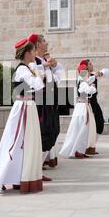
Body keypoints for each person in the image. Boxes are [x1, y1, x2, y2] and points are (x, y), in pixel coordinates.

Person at [0, 39, 45, 194]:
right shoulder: (22, 70)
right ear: (27, 53)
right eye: (33, 51)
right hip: (23, 109)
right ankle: (1, 177)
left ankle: (18, 177)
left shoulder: (27, 69)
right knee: (15, 143)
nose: (35, 54)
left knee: (26, 145)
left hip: (28, 107)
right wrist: (38, 72)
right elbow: (38, 85)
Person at [28, 34, 64, 170]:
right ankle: (35, 167)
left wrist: (53, 65)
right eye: (44, 41)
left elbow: (57, 78)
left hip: (51, 102)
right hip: (41, 104)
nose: (46, 43)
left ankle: (39, 165)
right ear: (37, 45)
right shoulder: (33, 62)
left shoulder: (45, 61)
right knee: (45, 133)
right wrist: (45, 64)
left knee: (54, 131)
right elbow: (34, 72)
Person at [59, 60, 97, 159]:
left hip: (83, 106)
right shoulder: (82, 80)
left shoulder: (83, 79)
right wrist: (93, 88)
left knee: (83, 129)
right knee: (82, 128)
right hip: (82, 107)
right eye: (84, 71)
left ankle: (79, 150)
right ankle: (77, 150)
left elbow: (89, 81)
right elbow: (86, 90)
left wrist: (94, 77)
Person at [83, 60, 109, 155]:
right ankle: (87, 147)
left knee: (100, 124)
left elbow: (107, 71)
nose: (92, 65)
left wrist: (101, 73)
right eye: (90, 64)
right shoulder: (84, 76)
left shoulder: (94, 74)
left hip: (94, 103)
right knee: (88, 126)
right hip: (87, 103)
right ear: (86, 66)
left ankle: (91, 146)